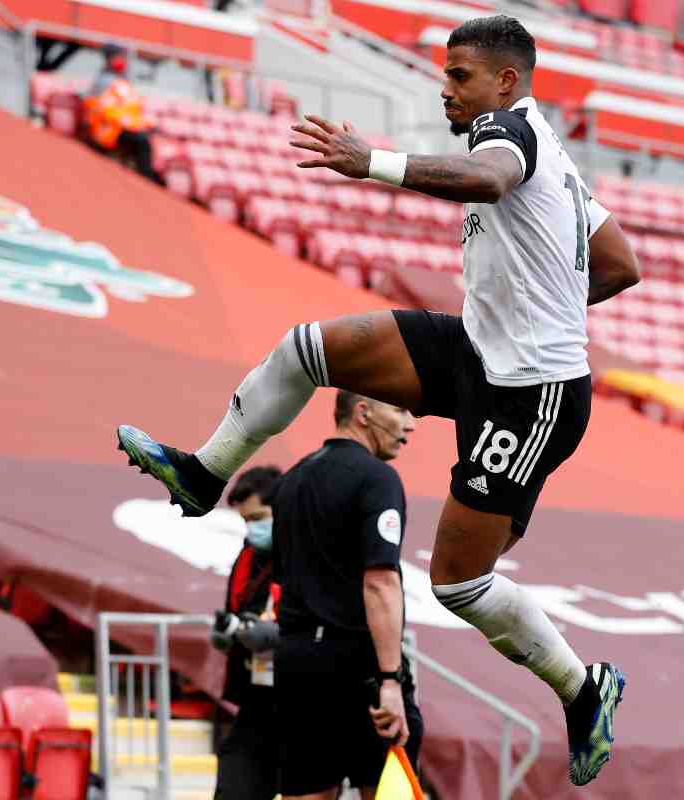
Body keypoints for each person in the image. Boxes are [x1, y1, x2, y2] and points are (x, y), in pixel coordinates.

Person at [116, 14, 639, 786]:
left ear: (506, 80)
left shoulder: (511, 135)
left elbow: (492, 179)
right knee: (309, 350)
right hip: (478, 350)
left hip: (532, 394)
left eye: (459, 75)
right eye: (446, 74)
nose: (446, 88)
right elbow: (620, 263)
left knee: (460, 583)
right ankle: (204, 472)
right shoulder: (552, 158)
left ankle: (582, 687)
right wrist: (544, 304)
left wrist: (372, 162)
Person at [268, 391, 422, 799]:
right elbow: (380, 582)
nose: (411, 424)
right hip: (358, 665)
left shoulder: (291, 480)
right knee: (389, 792)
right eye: (401, 410)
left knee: (307, 792)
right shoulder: (377, 478)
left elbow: (281, 579)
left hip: (298, 662)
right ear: (364, 412)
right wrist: (390, 679)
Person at [212, 465, 283, 800]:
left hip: (300, 696)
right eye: (246, 521)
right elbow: (235, 608)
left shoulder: (309, 556)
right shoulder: (247, 557)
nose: (252, 528)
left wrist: (275, 634)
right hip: (255, 694)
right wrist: (229, 634)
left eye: (259, 517)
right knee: (234, 780)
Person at [83, 44, 162, 185]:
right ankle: (147, 179)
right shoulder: (103, 82)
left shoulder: (123, 81)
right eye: (119, 57)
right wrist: (135, 124)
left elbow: (132, 110)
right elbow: (108, 111)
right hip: (107, 130)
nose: (122, 60)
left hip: (122, 126)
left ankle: (148, 174)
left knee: (147, 138)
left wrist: (144, 123)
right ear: (109, 59)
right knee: (142, 141)